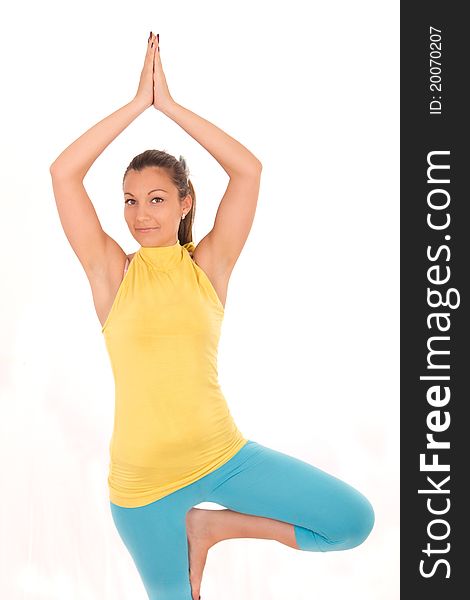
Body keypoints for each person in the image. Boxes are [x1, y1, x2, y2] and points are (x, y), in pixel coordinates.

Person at [50, 31, 375, 600]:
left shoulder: (209, 267)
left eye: (156, 198)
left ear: (185, 201)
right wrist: (135, 106)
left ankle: (212, 527)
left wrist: (168, 107)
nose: (141, 214)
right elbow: (62, 173)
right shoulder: (112, 274)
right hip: (142, 489)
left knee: (352, 524)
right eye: (130, 200)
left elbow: (247, 171)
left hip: (222, 458)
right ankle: (194, 530)